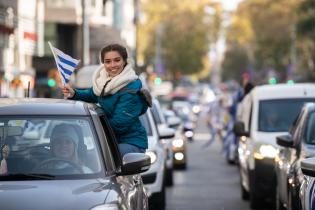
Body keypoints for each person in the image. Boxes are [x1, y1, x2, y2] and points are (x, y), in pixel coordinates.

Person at [61, 43, 148, 156]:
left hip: (130, 142)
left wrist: (89, 128)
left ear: (125, 61)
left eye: (117, 60)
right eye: (108, 61)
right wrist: (74, 93)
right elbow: (92, 93)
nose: (112, 65)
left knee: (97, 158)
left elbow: (119, 125)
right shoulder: (105, 81)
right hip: (110, 141)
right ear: (103, 63)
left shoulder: (131, 87)